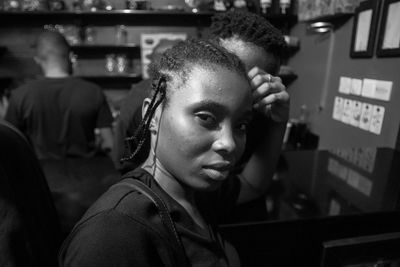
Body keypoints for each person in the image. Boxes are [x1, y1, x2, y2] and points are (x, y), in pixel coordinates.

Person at [59, 38, 257, 267]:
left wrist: (278, 119)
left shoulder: (195, 193)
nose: (229, 143)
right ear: (152, 115)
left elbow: (253, 186)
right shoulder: (113, 232)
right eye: (206, 117)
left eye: (241, 125)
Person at [113, 11, 289, 193]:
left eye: (249, 80)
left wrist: (278, 122)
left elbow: (248, 187)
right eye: (229, 65)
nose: (228, 143)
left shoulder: (258, 108)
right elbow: (124, 169)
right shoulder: (151, 100)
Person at [5, 30, 113, 159]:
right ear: (71, 56)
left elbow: (9, 144)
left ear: (37, 60)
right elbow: (109, 144)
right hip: (86, 174)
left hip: (40, 175)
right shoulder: (93, 91)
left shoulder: (20, 95)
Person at [112, 38, 182, 172]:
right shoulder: (188, 90)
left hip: (141, 170)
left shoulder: (140, 89)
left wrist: (120, 164)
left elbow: (122, 131)